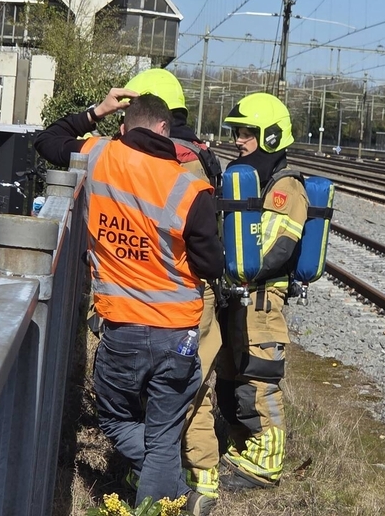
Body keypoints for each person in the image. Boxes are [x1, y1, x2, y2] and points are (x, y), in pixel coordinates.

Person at [34, 89, 224, 507]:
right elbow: (212, 265)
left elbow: (46, 140)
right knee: (163, 433)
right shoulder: (191, 189)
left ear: (125, 125)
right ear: (163, 129)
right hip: (178, 332)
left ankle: (168, 497)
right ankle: (176, 495)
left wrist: (96, 110)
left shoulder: (99, 154)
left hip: (120, 325)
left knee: (116, 419)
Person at [124, 69, 223, 514]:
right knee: (193, 387)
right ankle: (193, 477)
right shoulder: (201, 153)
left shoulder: (169, 159)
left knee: (173, 390)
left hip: (164, 294)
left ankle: (181, 483)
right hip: (188, 292)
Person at [215, 92, 308, 490]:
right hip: (237, 300)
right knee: (231, 381)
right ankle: (243, 449)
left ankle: (265, 466)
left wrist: (224, 264)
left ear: (271, 136)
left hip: (262, 304)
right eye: (237, 131)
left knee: (258, 381)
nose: (238, 139)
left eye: (246, 133)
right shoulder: (251, 182)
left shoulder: (286, 189)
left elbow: (272, 251)